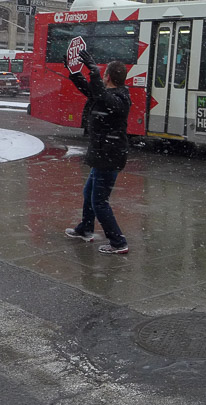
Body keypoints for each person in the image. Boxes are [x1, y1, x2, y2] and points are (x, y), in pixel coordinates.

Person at [63, 50, 132, 254]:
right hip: (102, 154)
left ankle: (118, 242)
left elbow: (102, 96)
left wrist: (93, 71)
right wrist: (74, 72)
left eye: (103, 74)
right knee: (89, 194)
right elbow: (90, 89)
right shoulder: (107, 95)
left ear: (108, 77)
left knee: (99, 202)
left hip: (109, 156)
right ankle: (85, 229)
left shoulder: (120, 98)